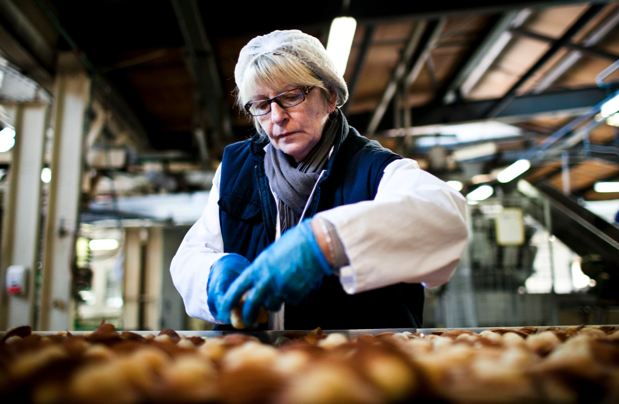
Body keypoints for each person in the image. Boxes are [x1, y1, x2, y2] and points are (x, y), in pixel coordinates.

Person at [171, 29, 468, 330]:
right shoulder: (237, 168)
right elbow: (192, 254)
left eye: (291, 96)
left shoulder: (374, 168)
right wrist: (212, 276)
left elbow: (446, 219)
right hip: (254, 362)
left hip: (356, 365)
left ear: (330, 97)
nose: (276, 117)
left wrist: (326, 242)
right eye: (262, 105)